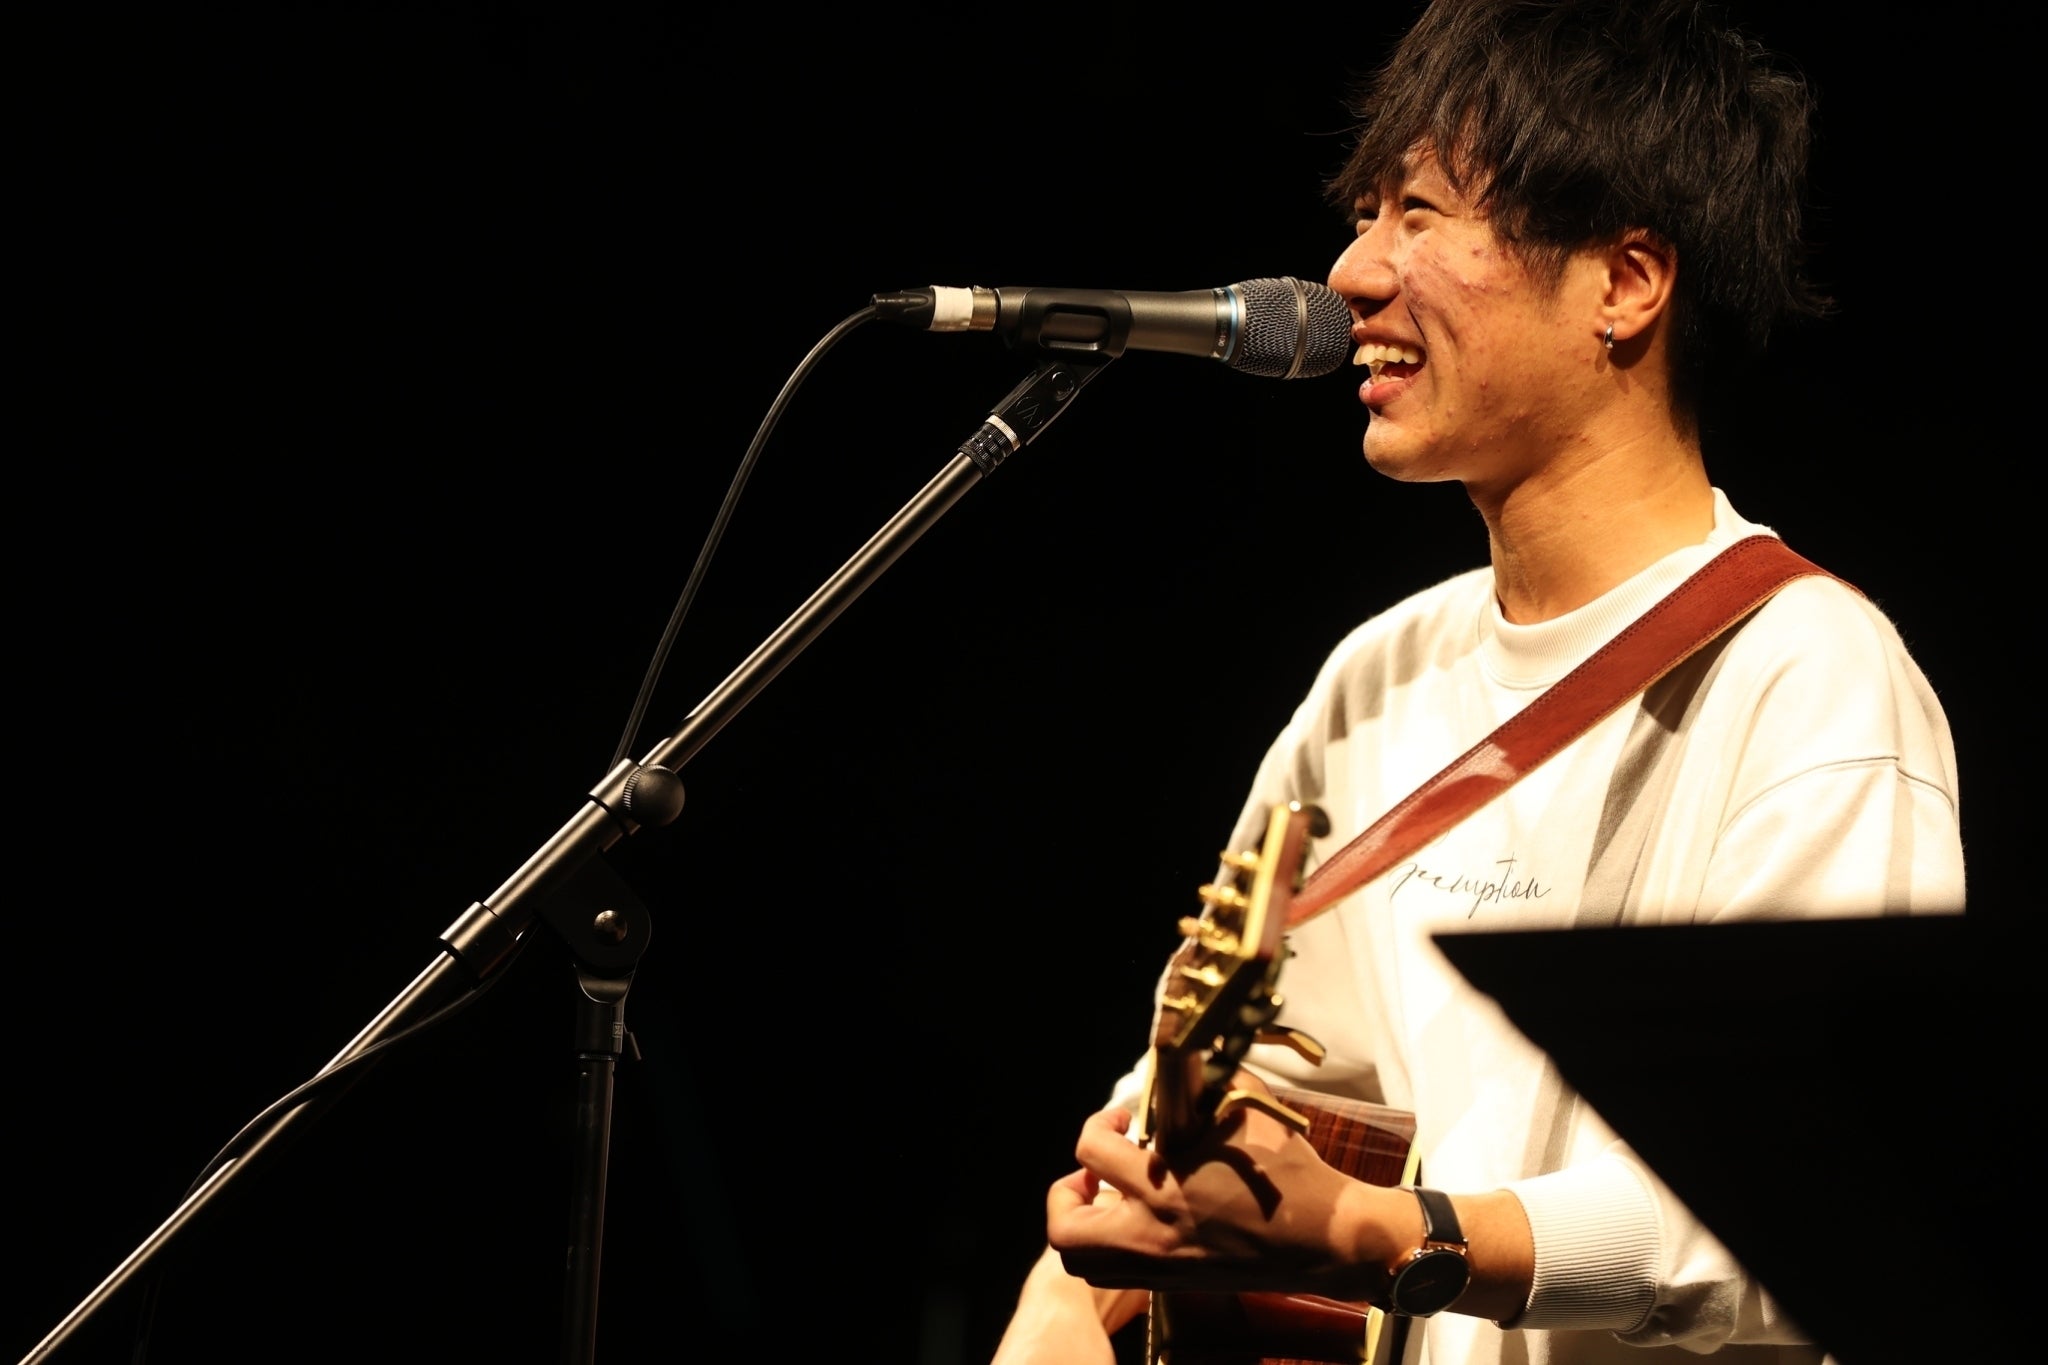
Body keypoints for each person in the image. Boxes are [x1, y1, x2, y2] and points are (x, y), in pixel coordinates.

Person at [989, 2, 1964, 1362]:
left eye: (1422, 212)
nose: (1351, 272)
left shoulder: (1810, 679)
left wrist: (1378, 1232)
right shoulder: (1382, 678)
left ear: (1626, 281)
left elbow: (1816, 1207)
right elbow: (1245, 1078)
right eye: (1364, 213)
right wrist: (1089, 1265)